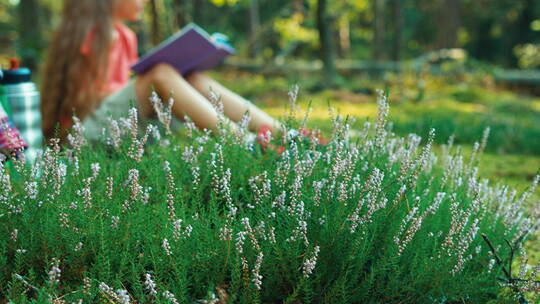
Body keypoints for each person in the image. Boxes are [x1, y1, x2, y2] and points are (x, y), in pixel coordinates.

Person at [40, 0, 285, 148]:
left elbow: (125, 90)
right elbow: (83, 100)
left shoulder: (125, 35)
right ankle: (247, 145)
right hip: (87, 133)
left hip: (120, 123)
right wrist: (145, 84)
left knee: (193, 78)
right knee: (160, 74)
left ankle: (284, 135)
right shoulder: (97, 35)